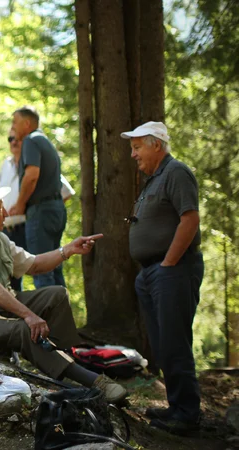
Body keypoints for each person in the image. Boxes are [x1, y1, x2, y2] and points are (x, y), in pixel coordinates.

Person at [0, 181, 128, 403]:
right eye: (0, 208)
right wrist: (28, 315)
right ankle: (92, 381)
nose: (7, 213)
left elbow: (34, 264)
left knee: (56, 295)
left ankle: (63, 359)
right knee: (23, 328)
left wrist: (67, 250)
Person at [121, 122, 203, 435]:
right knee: (162, 344)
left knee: (174, 341)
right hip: (152, 274)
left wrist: (168, 263)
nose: (133, 154)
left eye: (137, 147)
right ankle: (176, 406)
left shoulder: (176, 172)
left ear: (157, 145)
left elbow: (190, 219)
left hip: (174, 271)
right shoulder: (153, 180)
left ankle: (187, 414)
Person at [0, 127, 76, 291]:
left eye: (17, 139)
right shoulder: (5, 165)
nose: (14, 142)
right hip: (6, 231)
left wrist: (36, 209)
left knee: (45, 270)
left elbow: (65, 192)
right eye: (10, 139)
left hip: (29, 225)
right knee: (8, 280)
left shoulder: (37, 163)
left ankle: (53, 310)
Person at [7, 106, 66, 288]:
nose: (13, 127)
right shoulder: (45, 141)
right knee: (55, 266)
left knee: (41, 268)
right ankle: (61, 314)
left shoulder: (31, 141)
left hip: (40, 212)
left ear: (27, 123)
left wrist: (20, 204)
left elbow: (32, 175)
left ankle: (47, 316)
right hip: (56, 211)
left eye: (15, 122)